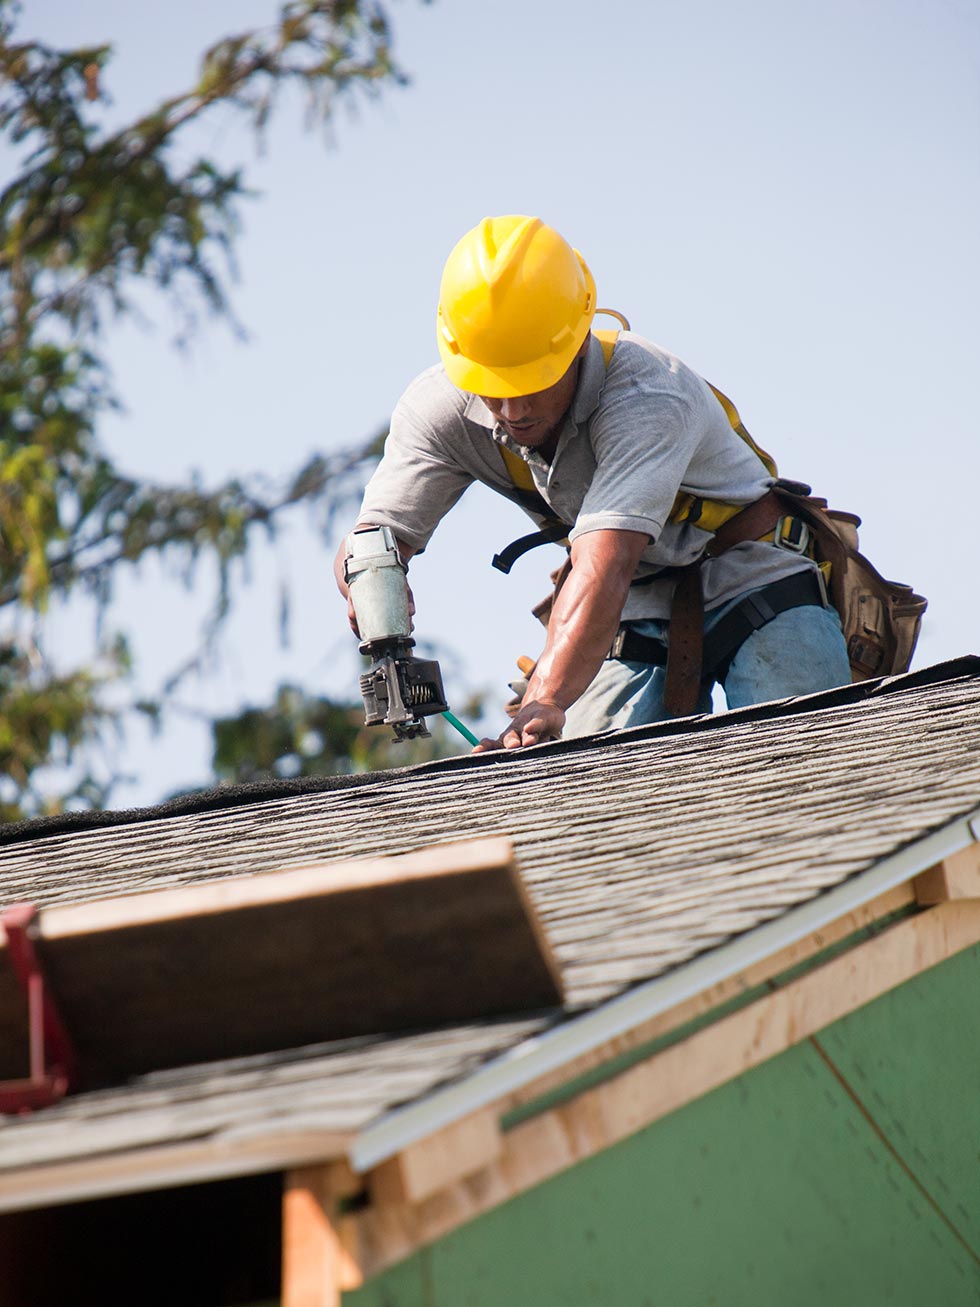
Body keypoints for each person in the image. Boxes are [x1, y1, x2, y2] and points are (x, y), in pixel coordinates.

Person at [335, 215, 851, 752]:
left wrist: (546, 697)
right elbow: (372, 538)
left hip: (752, 571)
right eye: (491, 386)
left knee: (800, 747)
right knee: (579, 778)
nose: (512, 410)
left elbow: (605, 564)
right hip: (634, 600)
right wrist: (376, 603)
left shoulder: (649, 394)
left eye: (533, 382)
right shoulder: (439, 409)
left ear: (578, 340)